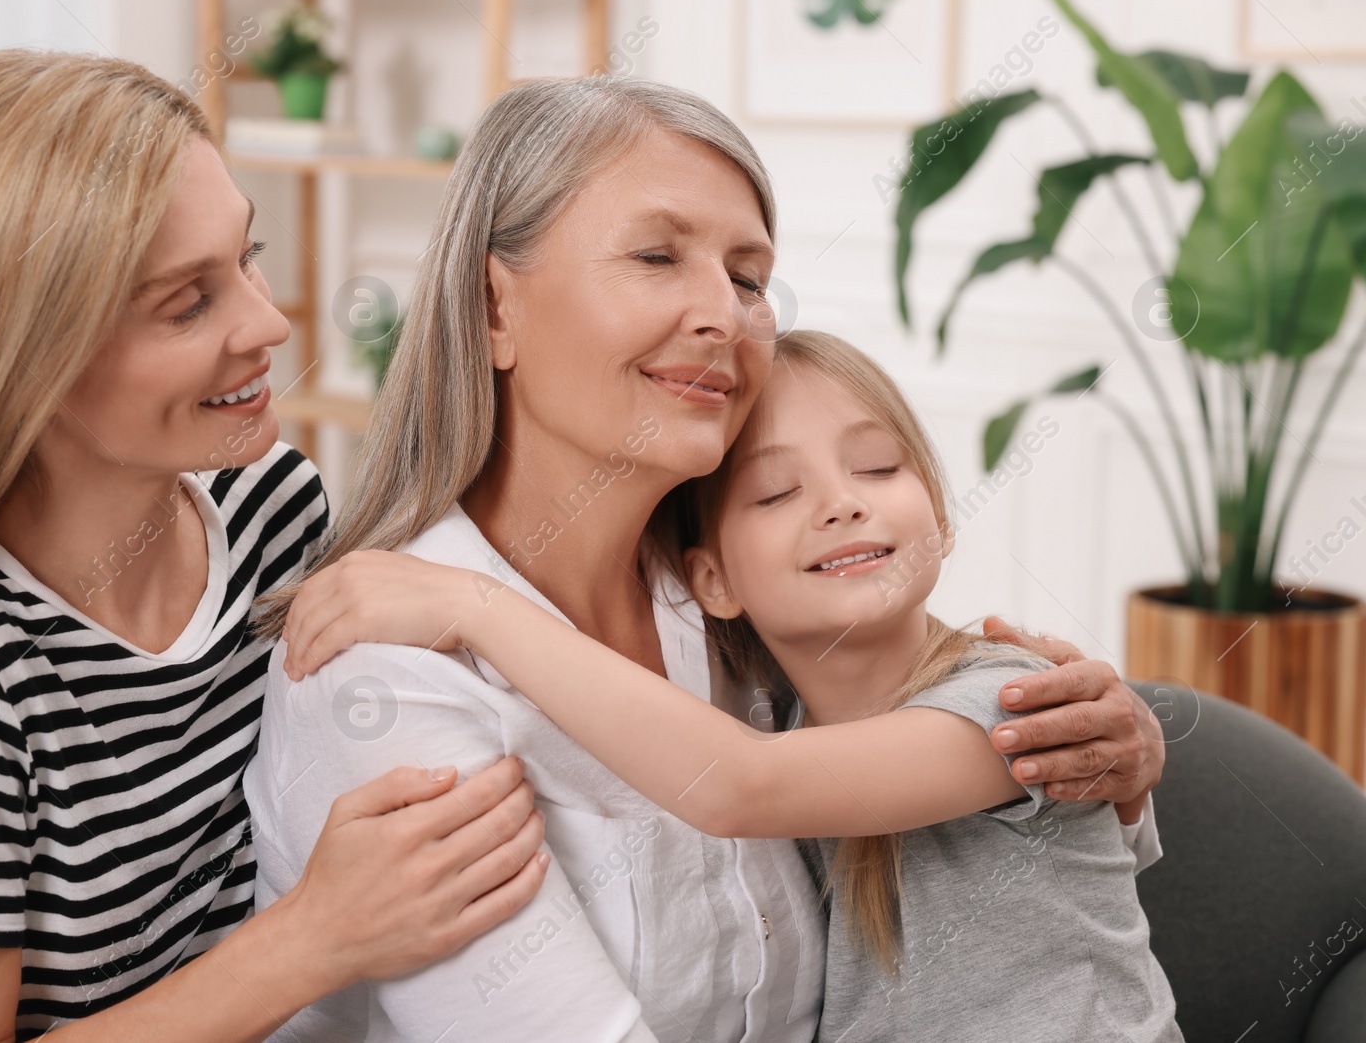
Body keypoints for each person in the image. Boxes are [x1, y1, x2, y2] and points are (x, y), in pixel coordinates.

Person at [246, 75, 1166, 1042]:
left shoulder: (727, 608)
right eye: (655, 255)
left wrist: (1120, 756)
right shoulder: (388, 678)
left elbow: (896, 775)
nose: (723, 314)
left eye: (749, 277)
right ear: (492, 308)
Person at [0, 49, 547, 1043]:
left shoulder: (268, 506)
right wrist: (316, 937)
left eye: (247, 258)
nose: (268, 320)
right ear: (17, 365)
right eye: (188, 302)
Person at [281, 329, 1184, 1041]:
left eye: (878, 467)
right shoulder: (759, 702)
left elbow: (742, 784)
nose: (842, 501)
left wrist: (476, 603)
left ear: (940, 518)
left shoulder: (1007, 700)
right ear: (709, 580)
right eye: (776, 493)